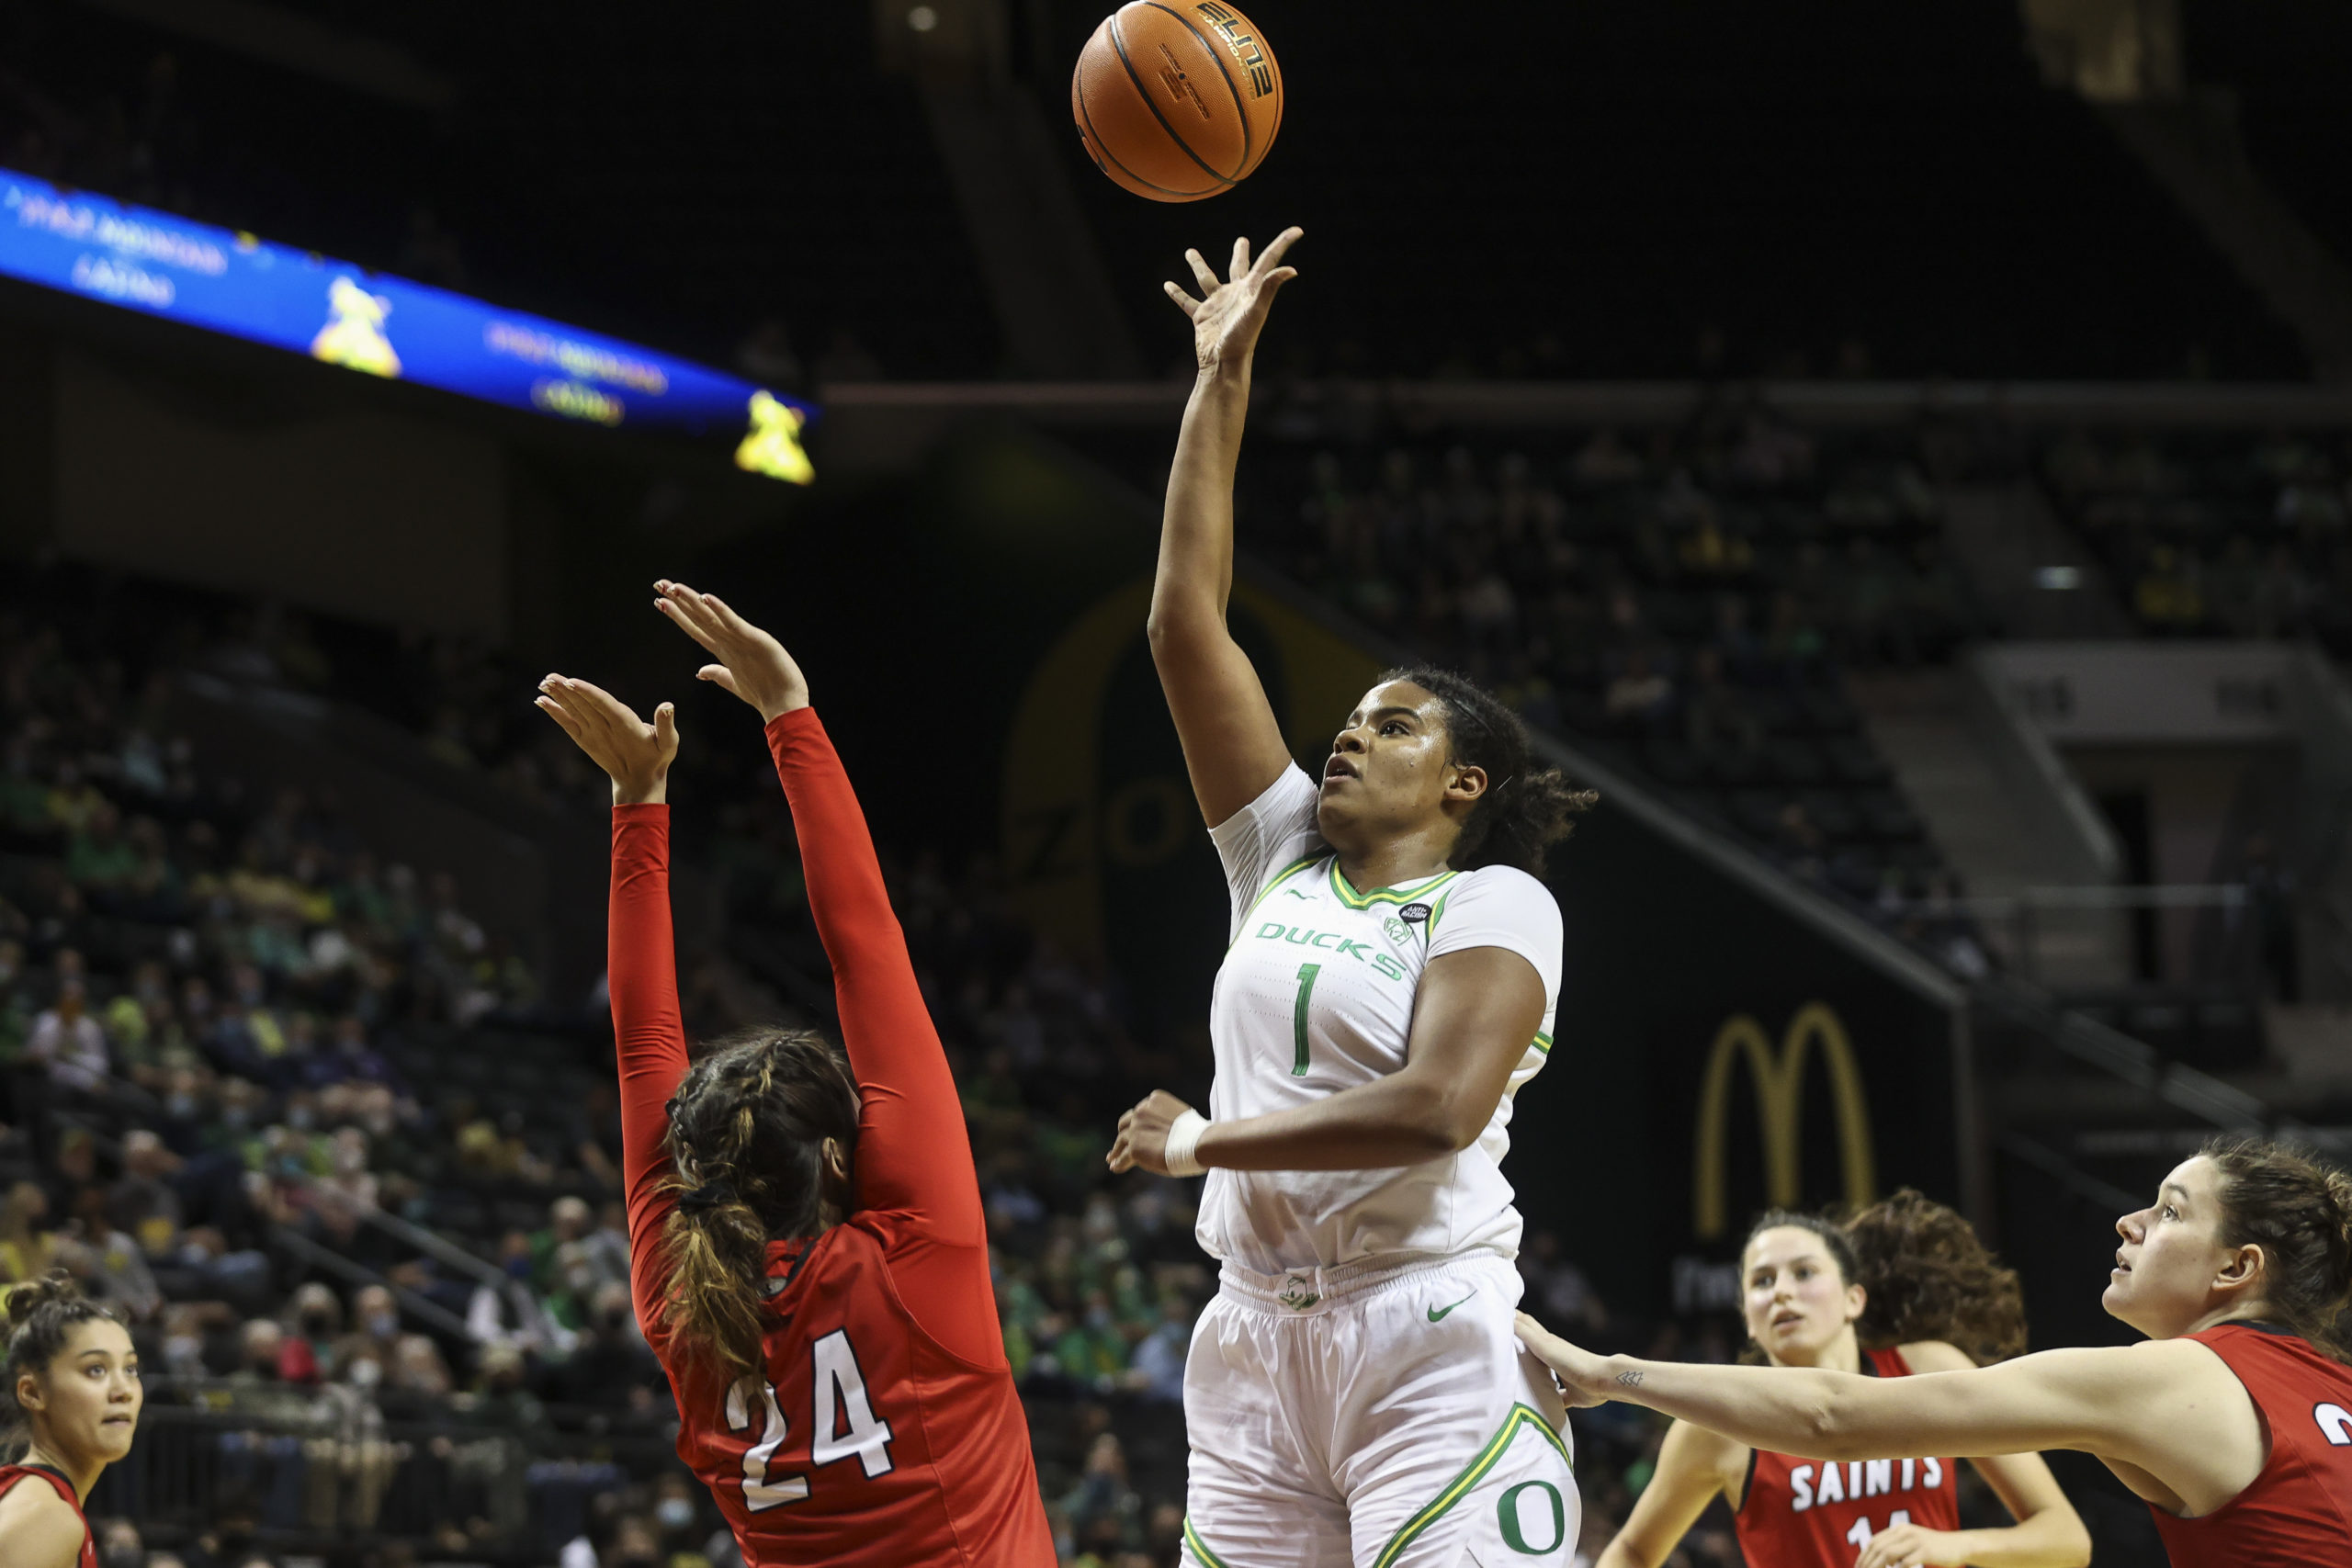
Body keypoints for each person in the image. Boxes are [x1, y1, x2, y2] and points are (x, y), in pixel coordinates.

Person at [1108, 229, 1596, 1568]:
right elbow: (1181, 626)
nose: (1348, 735)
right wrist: (1219, 381)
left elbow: (1439, 1109)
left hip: (1425, 1331)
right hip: (1251, 1338)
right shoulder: (1279, 854)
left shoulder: (1495, 902)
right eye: (1349, 719)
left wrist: (1202, 1143)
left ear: (1463, 781)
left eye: (1391, 727)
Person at [531, 579, 1052, 1565]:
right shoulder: (910, 1260)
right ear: (836, 1150)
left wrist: (650, 800)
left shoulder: (680, 1299)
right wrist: (779, 720)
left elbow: (648, 1044)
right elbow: (864, 953)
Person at [1519, 1137, 2352, 1566]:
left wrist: (1609, 1372)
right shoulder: (2333, 1385)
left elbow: (1831, 1413)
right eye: (1759, 1278)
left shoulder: (2176, 1375)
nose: (2129, 1222)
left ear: (2239, 1268)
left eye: (2170, 1211)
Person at [1596, 1192, 2087, 1568]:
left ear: (1854, 1298)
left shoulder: (1926, 1369)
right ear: (1747, 1317)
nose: (1783, 1292)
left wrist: (1952, 1546)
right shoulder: (1717, 1426)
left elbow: (2067, 1537)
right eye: (1762, 1282)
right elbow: (1635, 1550)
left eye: (1803, 1272)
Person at [0, 1270, 142, 1568]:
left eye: (130, 1369)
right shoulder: (46, 1517)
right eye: (95, 1369)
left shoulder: (39, 1502)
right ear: (33, 1392)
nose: (123, 1391)